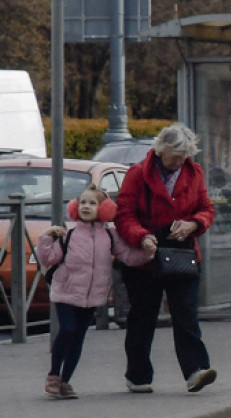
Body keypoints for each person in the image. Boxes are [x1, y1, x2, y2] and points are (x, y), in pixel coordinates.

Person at [116, 124, 218, 393]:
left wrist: (193, 224)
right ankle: (137, 376)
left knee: (186, 312)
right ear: (161, 150)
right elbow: (124, 213)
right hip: (146, 255)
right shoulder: (138, 174)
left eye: (185, 156)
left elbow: (206, 208)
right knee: (143, 316)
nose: (179, 162)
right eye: (175, 157)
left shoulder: (193, 172)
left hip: (182, 252)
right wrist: (141, 236)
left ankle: (196, 370)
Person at [36, 185, 150, 398]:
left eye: (92, 203)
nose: (86, 207)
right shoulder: (68, 236)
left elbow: (127, 255)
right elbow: (48, 258)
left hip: (92, 297)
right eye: (82, 203)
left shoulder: (110, 236)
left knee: (78, 337)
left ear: (104, 209)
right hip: (66, 293)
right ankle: (53, 376)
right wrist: (47, 237)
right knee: (68, 330)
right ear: (75, 207)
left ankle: (65, 381)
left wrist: (148, 253)